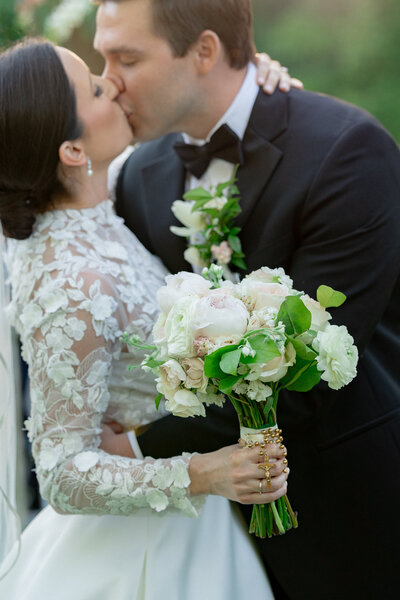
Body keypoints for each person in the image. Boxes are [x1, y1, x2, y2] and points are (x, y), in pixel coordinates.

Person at [94, 0, 400, 599]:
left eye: (127, 57)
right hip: (204, 536)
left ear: (205, 52)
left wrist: (132, 450)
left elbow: (307, 375)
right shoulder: (139, 173)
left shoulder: (346, 151)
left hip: (350, 513)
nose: (108, 79)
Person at [0, 39, 291, 598]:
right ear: (70, 151)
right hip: (140, 551)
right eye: (95, 88)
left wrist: (254, 76)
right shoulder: (70, 283)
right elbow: (61, 473)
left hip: (198, 527)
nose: (115, 85)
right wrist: (204, 473)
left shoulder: (96, 195)